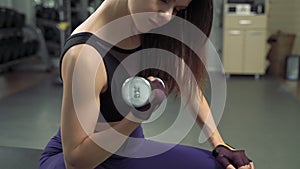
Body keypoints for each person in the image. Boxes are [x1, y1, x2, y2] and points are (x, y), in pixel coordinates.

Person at [39, 0, 255, 169]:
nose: (167, 15)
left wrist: (219, 143)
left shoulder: (144, 24)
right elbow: (76, 161)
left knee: (225, 164)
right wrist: (138, 115)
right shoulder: (85, 55)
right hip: (89, 158)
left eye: (177, 9)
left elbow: (186, 81)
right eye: (162, 0)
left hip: (128, 149)